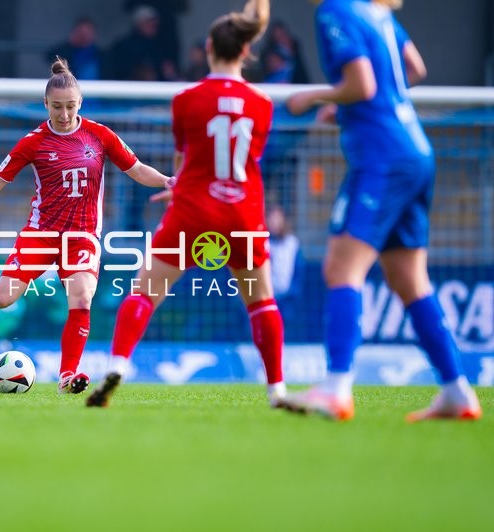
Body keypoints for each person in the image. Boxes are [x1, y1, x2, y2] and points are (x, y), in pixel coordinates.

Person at [0, 58, 174, 394]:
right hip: (41, 234)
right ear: (45, 104)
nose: (64, 114)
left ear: (80, 103)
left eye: (70, 106)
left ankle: (67, 376)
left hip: (82, 236)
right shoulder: (33, 142)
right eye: (56, 107)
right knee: (3, 298)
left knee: (82, 297)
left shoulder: (100, 135)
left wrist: (168, 180)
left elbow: (137, 169)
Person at [281, 0, 482, 421]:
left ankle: (336, 388)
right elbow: (414, 68)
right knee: (409, 278)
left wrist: (314, 96)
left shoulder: (336, 10)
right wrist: (351, 105)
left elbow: (363, 84)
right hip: (414, 150)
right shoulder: (376, 12)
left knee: (341, 267)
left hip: (382, 158)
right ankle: (457, 391)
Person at [87, 0, 288, 408]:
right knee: (261, 302)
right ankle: (277, 390)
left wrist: (179, 187)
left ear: (209, 48)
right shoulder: (263, 104)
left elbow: (185, 159)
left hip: (193, 210)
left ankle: (118, 364)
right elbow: (245, 162)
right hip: (241, 213)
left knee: (144, 292)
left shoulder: (185, 99)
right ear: (246, 51)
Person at [108, 5, 177, 81]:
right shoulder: (123, 47)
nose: (153, 26)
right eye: (149, 22)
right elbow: (117, 72)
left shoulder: (161, 46)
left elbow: (167, 71)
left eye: (155, 24)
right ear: (139, 24)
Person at [267, 204, 305, 331]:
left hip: (287, 300)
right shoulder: (261, 241)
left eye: (277, 218)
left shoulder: (292, 243)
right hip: (265, 297)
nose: (274, 222)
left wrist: (293, 293)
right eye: (271, 218)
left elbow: (299, 270)